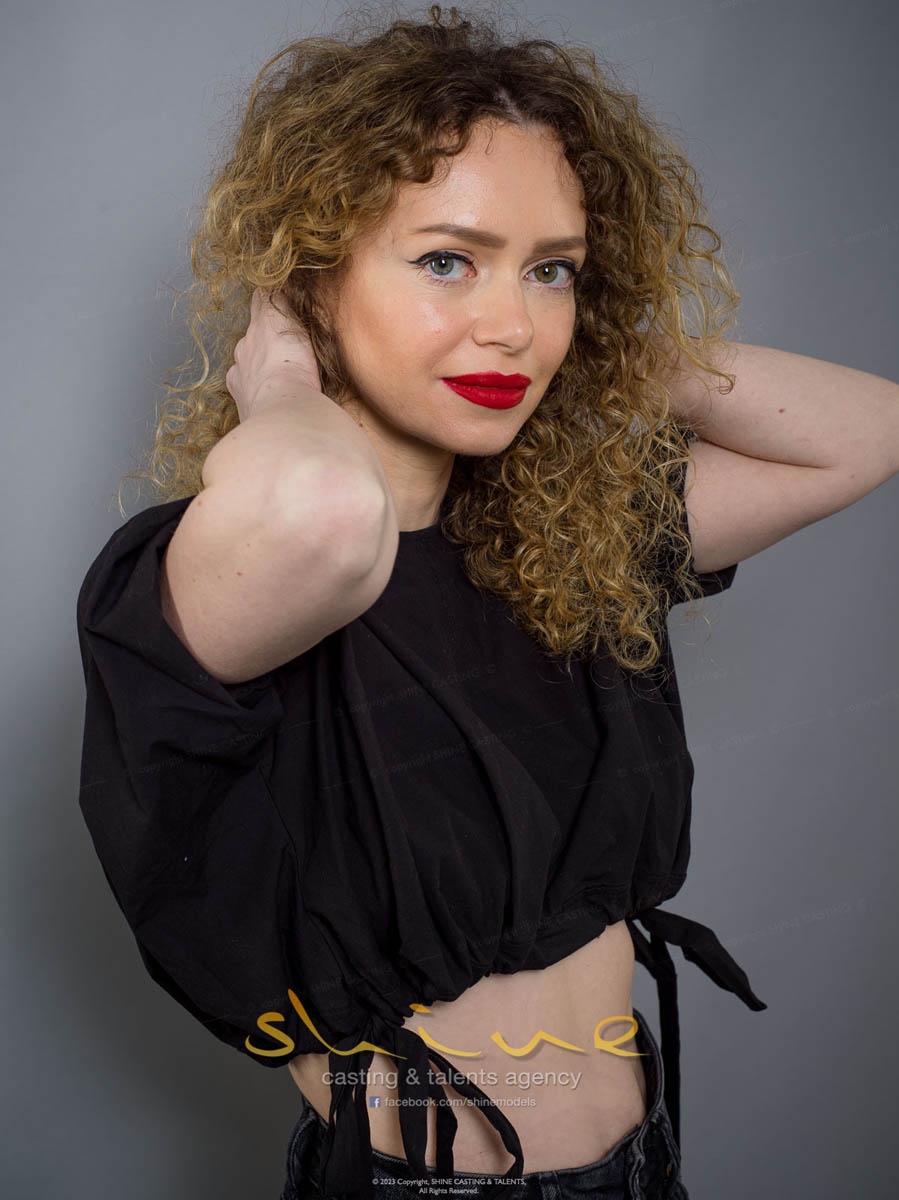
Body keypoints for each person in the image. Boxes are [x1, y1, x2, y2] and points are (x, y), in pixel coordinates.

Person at [74, 6, 899, 1200]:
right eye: (446, 260)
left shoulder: (563, 535)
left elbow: (866, 433)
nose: (510, 325)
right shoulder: (227, 564)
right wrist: (284, 376)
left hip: (640, 1164)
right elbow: (327, 518)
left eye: (550, 268)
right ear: (314, 273)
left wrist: (598, 341)